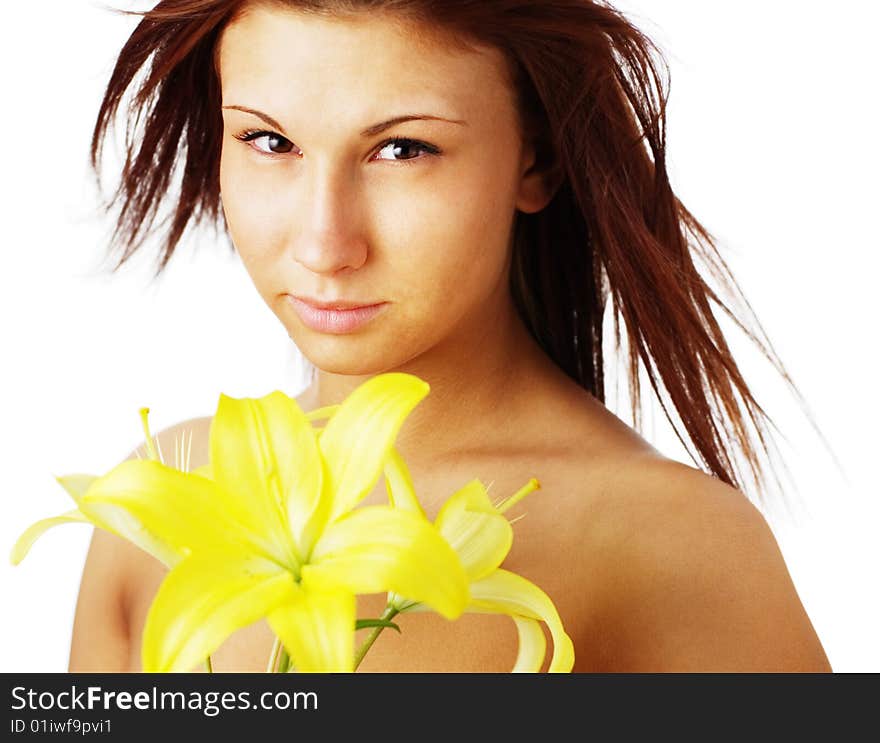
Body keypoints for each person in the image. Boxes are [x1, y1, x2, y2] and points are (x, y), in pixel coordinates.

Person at [68, 0, 832, 672]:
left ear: (537, 160)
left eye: (403, 150)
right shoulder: (156, 506)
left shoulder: (674, 545)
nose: (325, 243)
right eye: (270, 142)